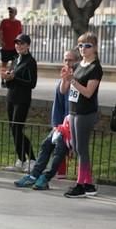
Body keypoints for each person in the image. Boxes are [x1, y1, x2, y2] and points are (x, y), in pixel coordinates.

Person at [14, 50, 77, 190]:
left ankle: (46, 177)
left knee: (60, 148)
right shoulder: (62, 82)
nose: (68, 63)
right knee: (46, 145)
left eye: (71, 60)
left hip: (73, 125)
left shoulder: (78, 80)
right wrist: (56, 125)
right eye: (66, 60)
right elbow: (58, 106)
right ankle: (34, 175)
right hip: (61, 125)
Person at [60, 32, 103, 198]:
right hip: (73, 111)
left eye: (87, 46)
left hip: (86, 112)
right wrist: (65, 79)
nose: (83, 49)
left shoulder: (95, 68)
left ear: (95, 48)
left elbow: (88, 92)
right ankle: (88, 184)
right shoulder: (78, 65)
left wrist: (72, 80)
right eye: (81, 45)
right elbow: (64, 90)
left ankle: (80, 185)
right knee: (77, 148)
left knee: (82, 149)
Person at [2, 33, 38, 172]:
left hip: (22, 100)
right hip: (11, 98)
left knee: (18, 129)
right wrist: (7, 78)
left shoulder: (30, 62)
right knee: (13, 129)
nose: (19, 46)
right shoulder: (15, 59)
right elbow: (10, 80)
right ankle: (21, 159)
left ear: (28, 45)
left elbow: (32, 83)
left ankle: (32, 159)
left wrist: (14, 78)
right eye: (17, 43)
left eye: (22, 43)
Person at [0, 7, 22, 86]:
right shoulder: (4, 21)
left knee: (13, 65)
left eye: (12, 11)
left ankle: (8, 80)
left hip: (15, 48)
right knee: (4, 66)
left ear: (16, 13)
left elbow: (20, 34)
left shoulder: (18, 23)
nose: (10, 13)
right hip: (5, 47)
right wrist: (1, 41)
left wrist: (20, 44)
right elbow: (0, 32)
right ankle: (2, 81)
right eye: (9, 11)